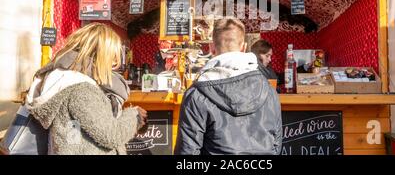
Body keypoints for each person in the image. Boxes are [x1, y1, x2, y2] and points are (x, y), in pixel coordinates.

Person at [26, 23, 147, 155]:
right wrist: (134, 116)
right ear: (101, 55)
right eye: (113, 57)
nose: (114, 64)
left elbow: (72, 135)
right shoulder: (82, 90)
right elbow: (111, 135)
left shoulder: (63, 79)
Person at [175, 18, 282, 155]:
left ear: (211, 48)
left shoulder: (196, 94)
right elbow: (276, 144)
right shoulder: (268, 90)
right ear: (243, 47)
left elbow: (187, 152)